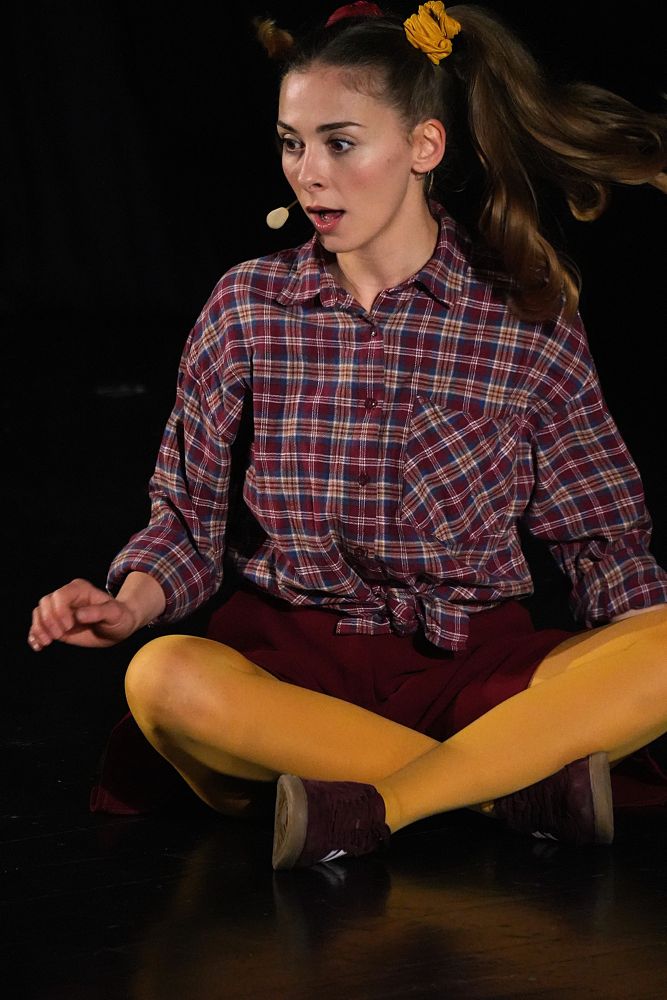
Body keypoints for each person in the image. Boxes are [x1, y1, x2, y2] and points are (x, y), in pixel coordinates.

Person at [28, 1, 667, 871]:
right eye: (292, 144)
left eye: (339, 143)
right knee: (161, 676)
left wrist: (638, 659)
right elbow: (185, 521)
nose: (309, 174)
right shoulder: (247, 306)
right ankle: (505, 786)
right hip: (291, 674)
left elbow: (603, 539)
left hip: (472, 672)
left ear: (424, 146)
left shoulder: (524, 316)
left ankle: (383, 803)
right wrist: (128, 605)